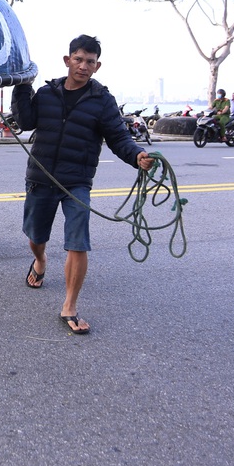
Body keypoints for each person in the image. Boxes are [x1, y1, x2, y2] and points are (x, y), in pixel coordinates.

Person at [12, 34, 154, 334]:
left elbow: (119, 138)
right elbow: (25, 122)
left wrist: (137, 156)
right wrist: (22, 84)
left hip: (77, 182)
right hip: (41, 176)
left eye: (90, 61)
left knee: (78, 243)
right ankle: (40, 261)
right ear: (68, 61)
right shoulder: (48, 92)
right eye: (78, 59)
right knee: (36, 237)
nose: (83, 66)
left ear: (97, 65)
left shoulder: (102, 101)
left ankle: (70, 306)